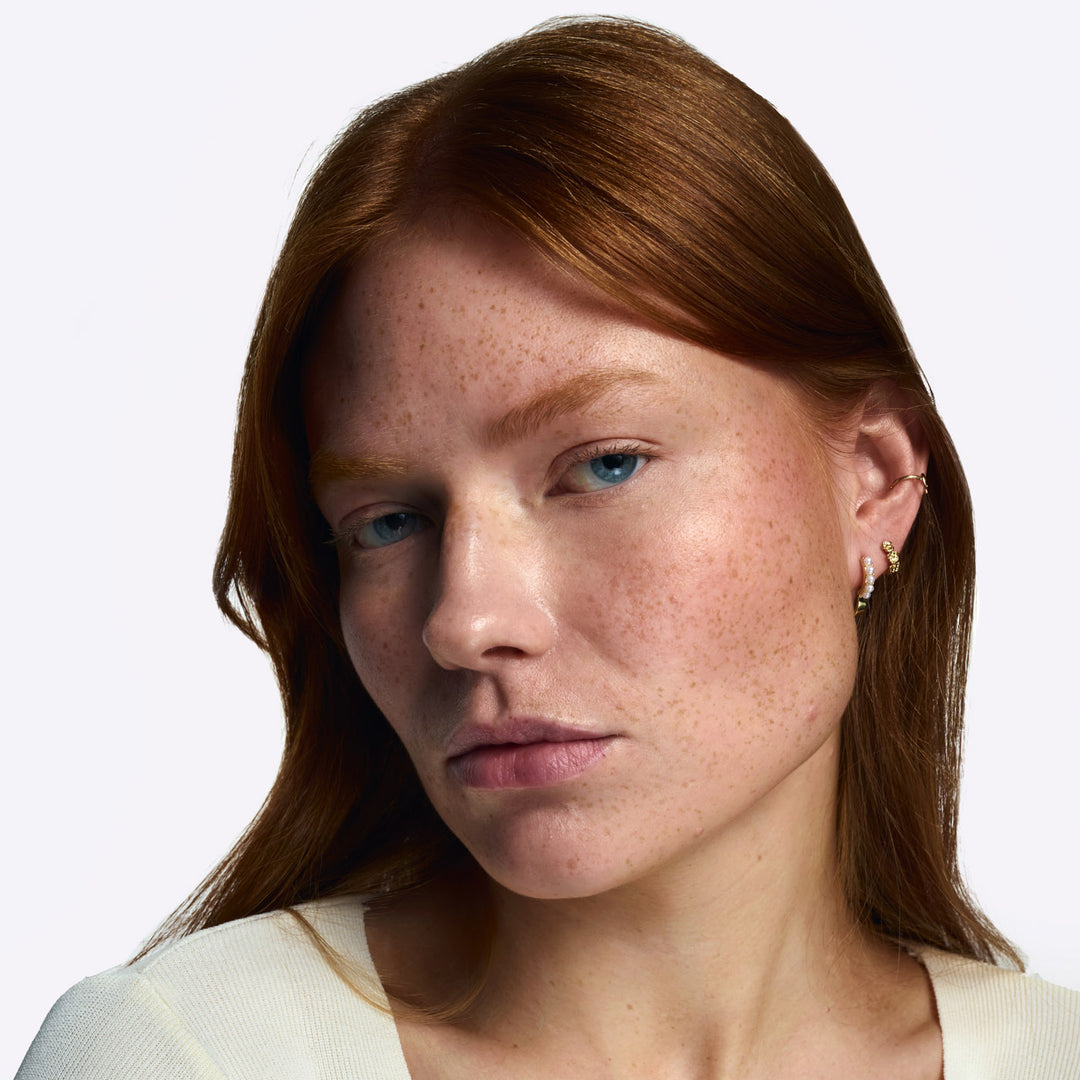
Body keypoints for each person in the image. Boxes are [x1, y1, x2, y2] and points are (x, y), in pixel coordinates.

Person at [17, 16, 1079, 1079]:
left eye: (605, 465)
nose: (463, 621)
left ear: (875, 482)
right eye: (387, 522)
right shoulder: (190, 1055)